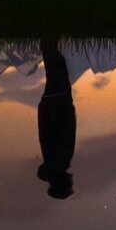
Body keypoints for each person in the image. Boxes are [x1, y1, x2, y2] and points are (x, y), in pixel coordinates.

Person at [36, 39, 77, 198]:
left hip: (58, 101)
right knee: (53, 60)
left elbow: (65, 127)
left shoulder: (60, 159)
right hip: (54, 101)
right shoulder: (54, 161)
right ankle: (47, 35)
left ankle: (49, 33)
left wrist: (67, 106)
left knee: (56, 61)